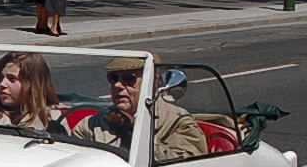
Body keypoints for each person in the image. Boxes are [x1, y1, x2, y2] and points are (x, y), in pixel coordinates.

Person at [70, 56, 207, 161]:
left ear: (154, 82)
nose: (118, 85)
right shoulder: (94, 123)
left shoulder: (177, 121)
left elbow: (189, 164)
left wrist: (134, 131)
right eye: (113, 78)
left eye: (128, 79)